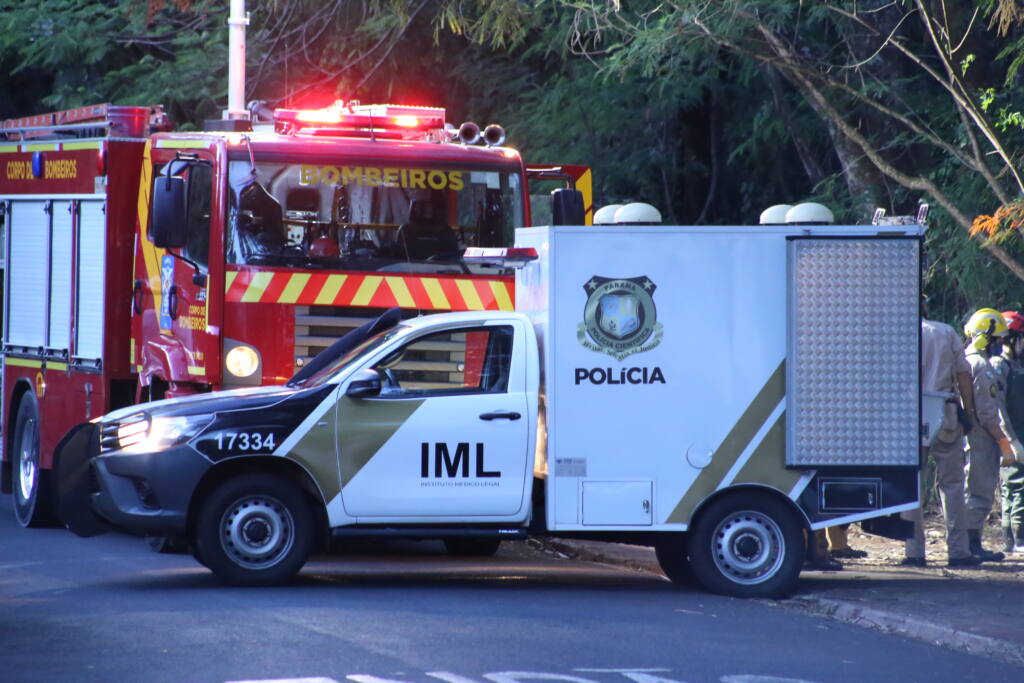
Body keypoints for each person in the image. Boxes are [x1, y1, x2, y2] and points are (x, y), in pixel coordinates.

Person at [902, 317, 982, 567]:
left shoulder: (900, 333)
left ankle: (914, 553)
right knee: (953, 484)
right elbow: (963, 374)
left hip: (911, 413)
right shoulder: (945, 331)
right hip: (944, 411)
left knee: (911, 484)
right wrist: (969, 413)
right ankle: (958, 551)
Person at [962, 308, 1021, 561]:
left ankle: (968, 544)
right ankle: (972, 546)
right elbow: (989, 412)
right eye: (997, 339)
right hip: (981, 438)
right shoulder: (982, 365)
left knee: (969, 490)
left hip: (969, 436)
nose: (999, 344)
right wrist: (1005, 441)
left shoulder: (965, 360)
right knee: (979, 491)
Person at [996, 311, 1024, 553]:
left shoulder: (1015, 365)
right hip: (1013, 437)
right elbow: (998, 408)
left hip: (1018, 435)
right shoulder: (1000, 365)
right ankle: (1017, 541)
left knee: (1013, 487)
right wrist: (1012, 442)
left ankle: (1011, 542)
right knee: (1017, 486)